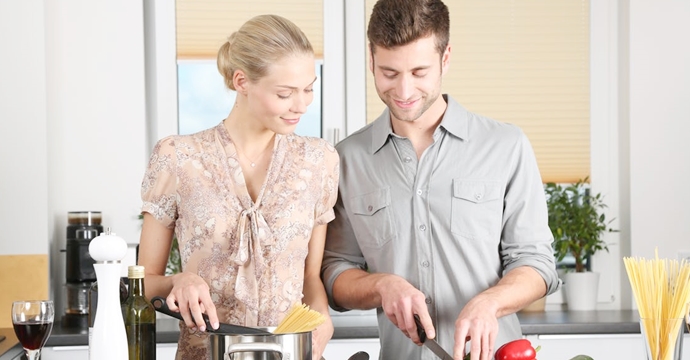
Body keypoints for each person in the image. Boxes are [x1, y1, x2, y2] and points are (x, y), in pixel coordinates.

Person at [321, 1, 560, 360]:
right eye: (389, 73)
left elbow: (537, 263)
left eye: (419, 72)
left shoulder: (505, 145)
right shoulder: (349, 159)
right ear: (371, 60)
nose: (403, 91)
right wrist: (381, 285)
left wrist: (491, 302)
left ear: (445, 58)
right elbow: (334, 271)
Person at [138, 14, 339, 360]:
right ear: (242, 81)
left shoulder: (319, 161)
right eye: (285, 93)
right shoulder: (178, 157)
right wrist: (178, 281)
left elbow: (310, 277)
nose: (302, 105)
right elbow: (142, 283)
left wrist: (322, 318)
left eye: (309, 89)